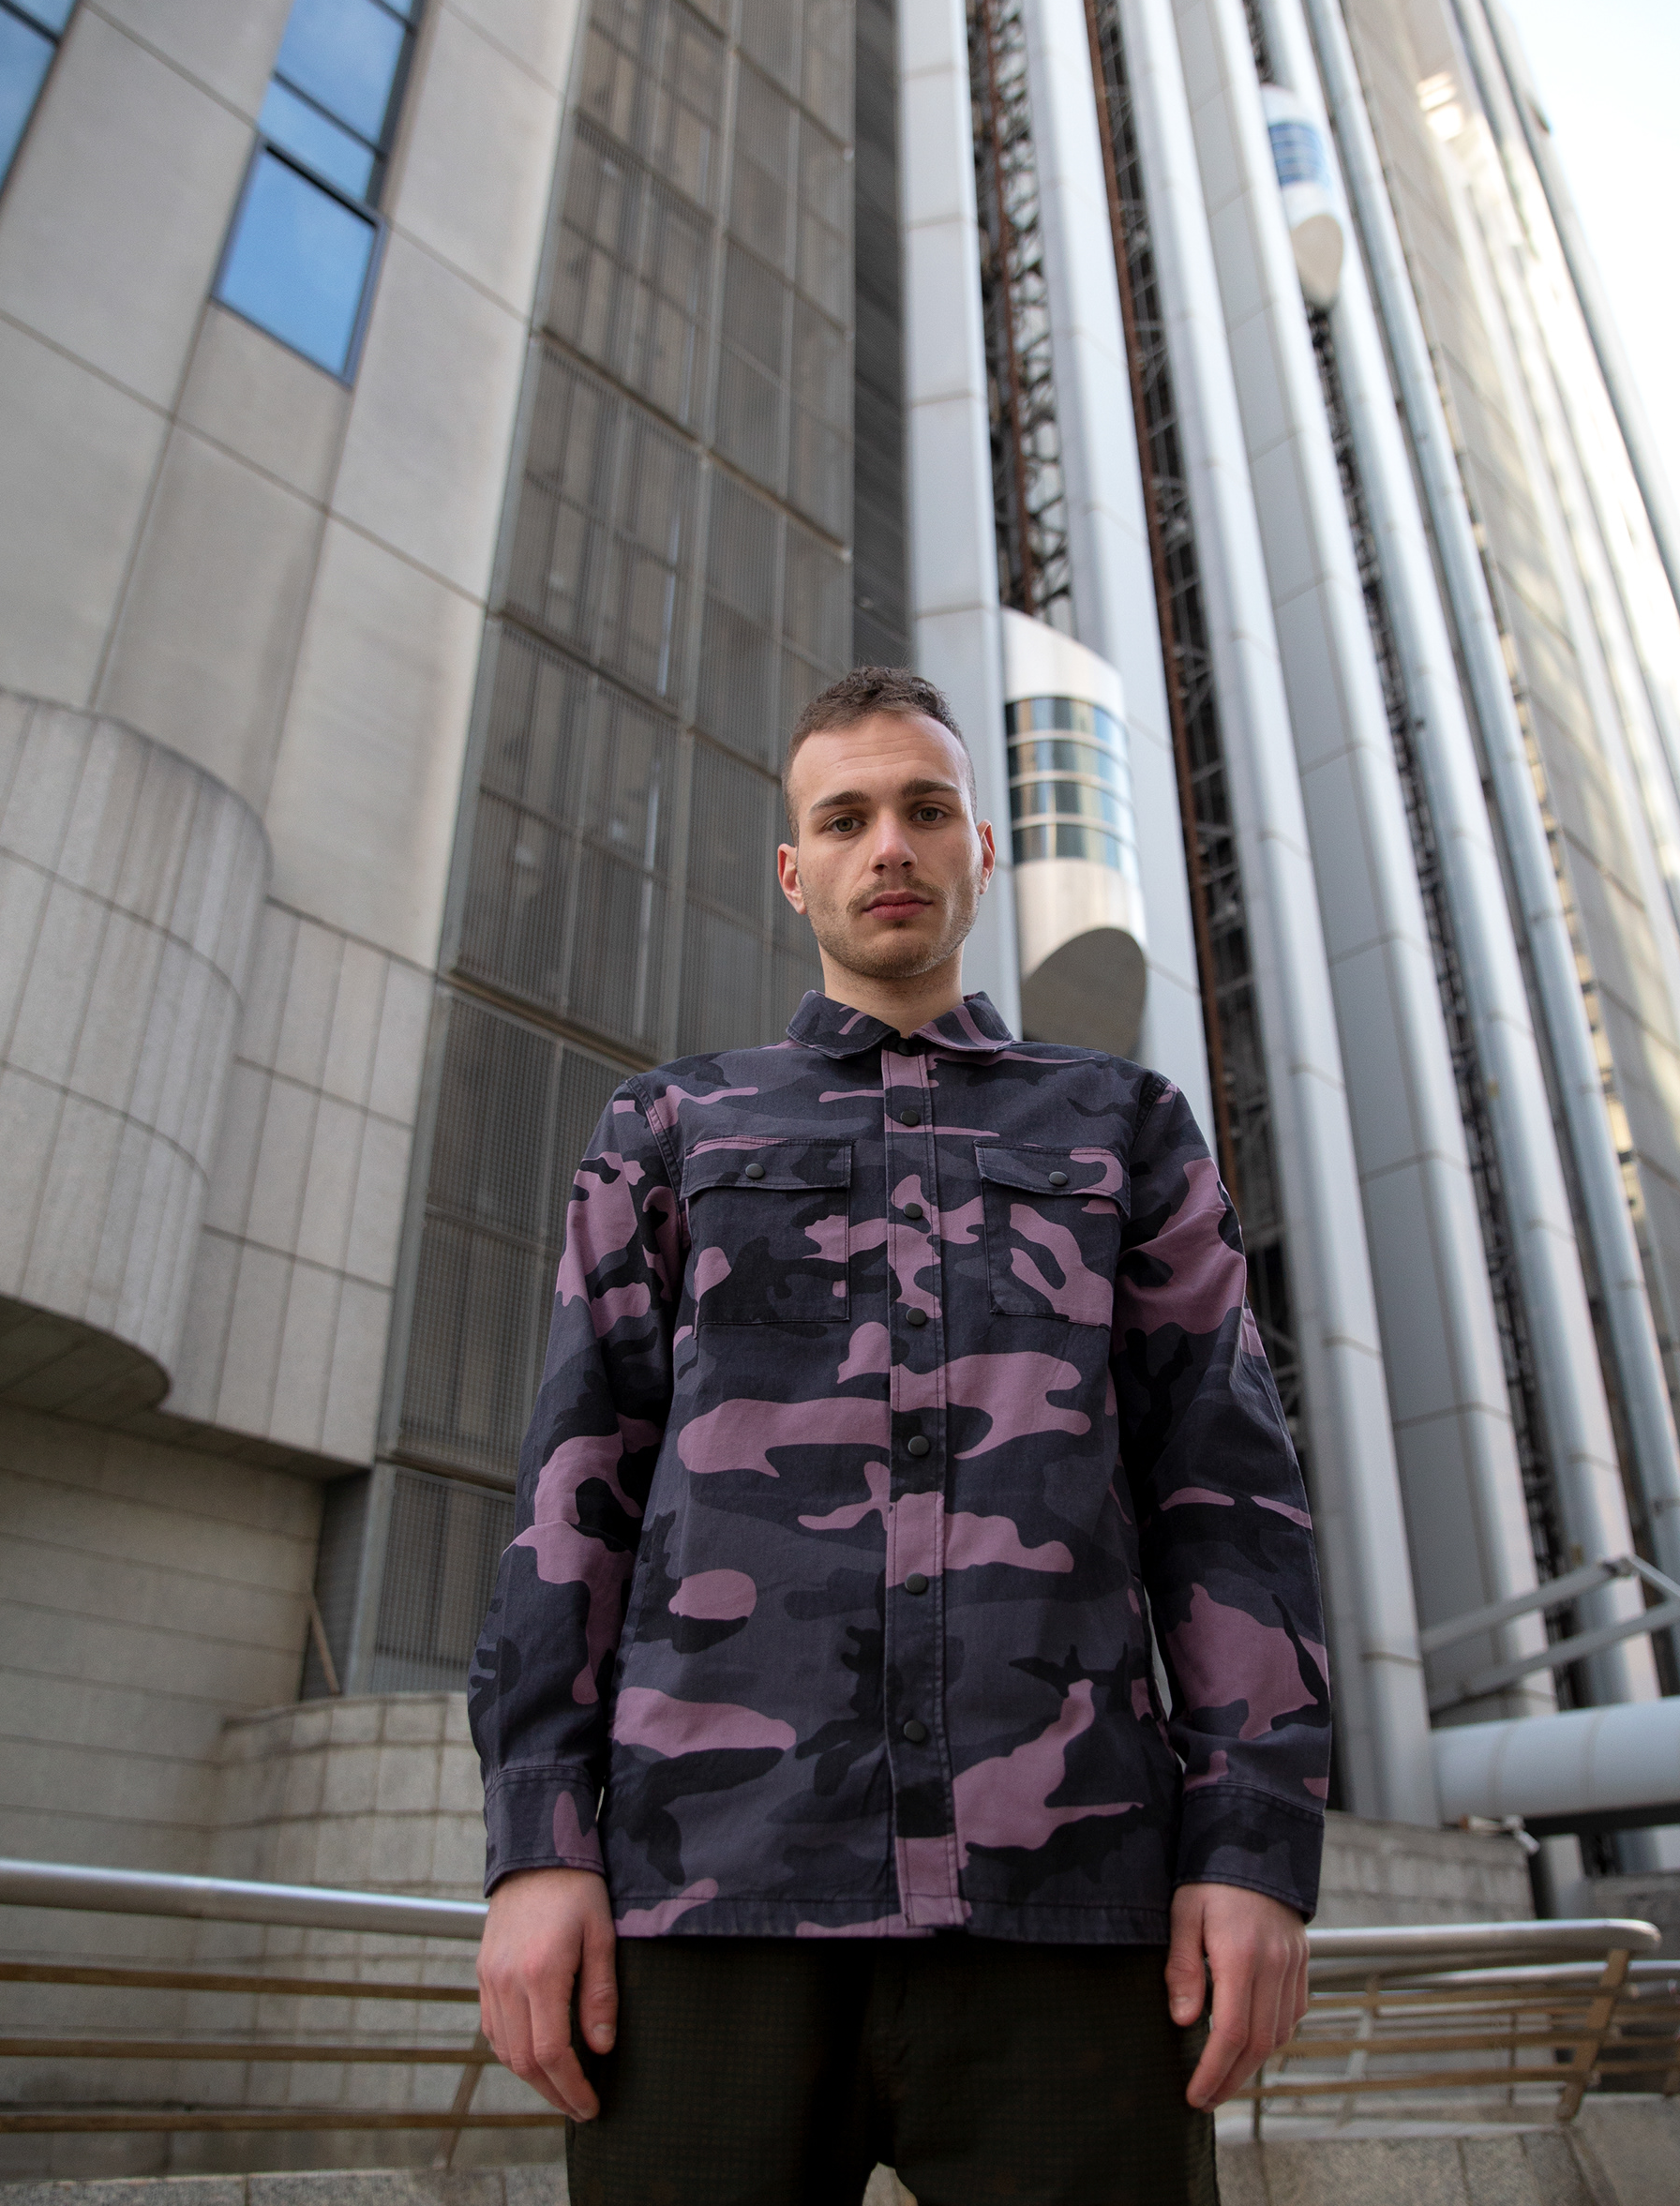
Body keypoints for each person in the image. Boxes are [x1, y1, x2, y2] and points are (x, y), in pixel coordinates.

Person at [469, 668, 1329, 2205]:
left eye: (927, 810)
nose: (890, 846)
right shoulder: (669, 1128)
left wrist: (1251, 1845)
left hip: (1072, 1909)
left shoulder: (1125, 1128)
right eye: (846, 818)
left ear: (980, 851)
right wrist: (540, 1846)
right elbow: (574, 1489)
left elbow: (1226, 1493)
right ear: (794, 870)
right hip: (712, 1899)